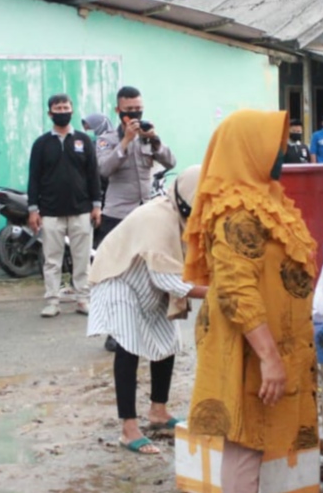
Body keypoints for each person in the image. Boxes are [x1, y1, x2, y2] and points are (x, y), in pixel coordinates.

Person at [184, 110, 319, 493]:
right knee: (243, 434)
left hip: (265, 341)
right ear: (248, 148)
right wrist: (269, 356)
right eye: (273, 143)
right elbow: (236, 290)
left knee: (258, 429)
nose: (281, 152)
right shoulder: (233, 212)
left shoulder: (266, 200)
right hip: (246, 341)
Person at [88, 165, 208, 454]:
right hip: (120, 279)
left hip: (148, 281)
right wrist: (219, 293)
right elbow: (169, 279)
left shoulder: (179, 214)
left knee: (167, 341)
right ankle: (129, 429)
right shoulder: (159, 218)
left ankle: (158, 412)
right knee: (128, 347)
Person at [27, 94, 101, 318]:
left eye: (65, 107)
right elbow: (34, 178)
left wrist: (97, 205)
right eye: (57, 108)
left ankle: (83, 299)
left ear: (72, 110)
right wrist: (33, 209)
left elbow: (93, 174)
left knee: (82, 259)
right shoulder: (41, 143)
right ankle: (52, 301)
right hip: (50, 211)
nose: (62, 111)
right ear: (50, 113)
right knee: (52, 260)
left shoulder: (83, 140)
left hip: (81, 210)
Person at [95, 86, 176, 246]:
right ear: (118, 110)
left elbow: (171, 162)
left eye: (138, 109)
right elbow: (104, 169)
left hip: (146, 210)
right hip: (118, 213)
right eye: (129, 109)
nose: (134, 113)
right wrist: (125, 141)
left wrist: (155, 140)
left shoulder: (146, 136)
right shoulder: (107, 139)